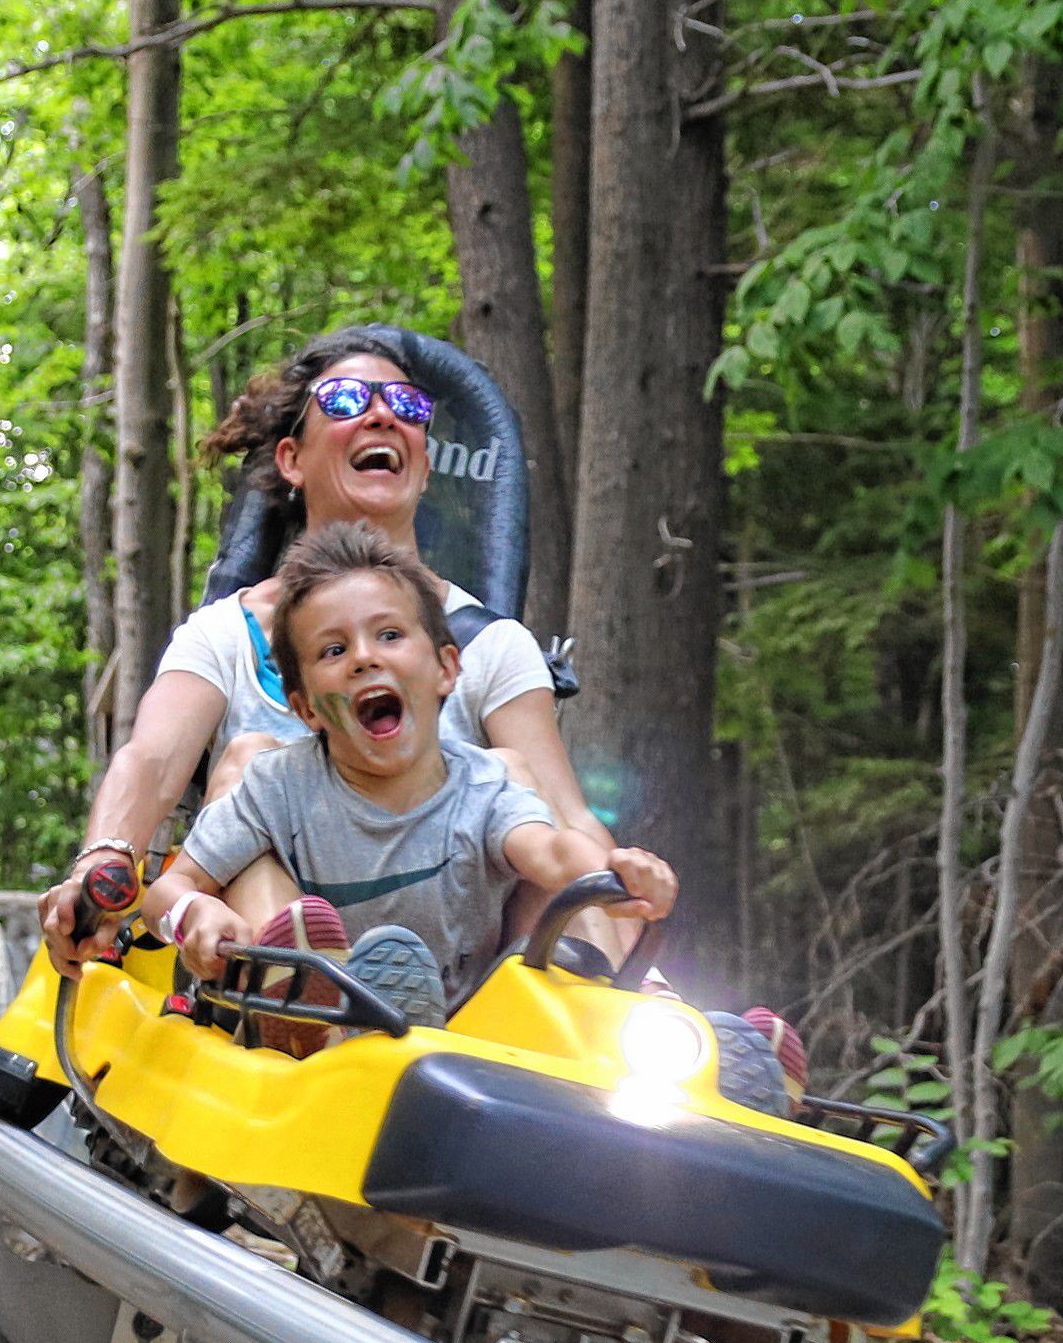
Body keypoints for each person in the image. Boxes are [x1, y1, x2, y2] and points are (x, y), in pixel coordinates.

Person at [42, 325, 609, 977]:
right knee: (251, 761)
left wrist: (644, 966)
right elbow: (151, 760)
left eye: (409, 407)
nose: (382, 415)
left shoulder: (488, 643)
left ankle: (595, 1009)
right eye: (344, 400)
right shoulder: (226, 634)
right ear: (291, 459)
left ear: (424, 465)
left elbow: (569, 821)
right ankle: (306, 990)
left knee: (516, 777)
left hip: (469, 989)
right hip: (265, 997)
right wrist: (103, 862)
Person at [134, 524, 673, 1048]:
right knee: (246, 861)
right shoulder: (277, 787)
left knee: (555, 888)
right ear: (304, 708)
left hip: (466, 1042)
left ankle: (634, 1036)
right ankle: (307, 1012)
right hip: (319, 1044)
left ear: (445, 669)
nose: (365, 657)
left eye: (389, 635)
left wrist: (613, 875)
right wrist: (192, 915)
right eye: (333, 651)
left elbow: (552, 851)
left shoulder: (482, 786)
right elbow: (168, 889)